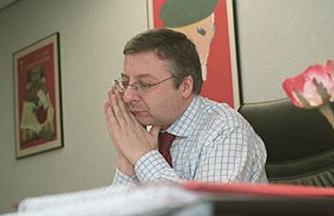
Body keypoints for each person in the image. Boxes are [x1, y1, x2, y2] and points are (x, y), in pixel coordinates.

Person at [104, 28, 267, 184]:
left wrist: (143, 156)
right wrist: (126, 158)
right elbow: (118, 212)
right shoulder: (144, 132)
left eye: (145, 84)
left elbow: (207, 210)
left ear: (185, 86)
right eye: (125, 83)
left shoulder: (225, 129)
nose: (128, 96)